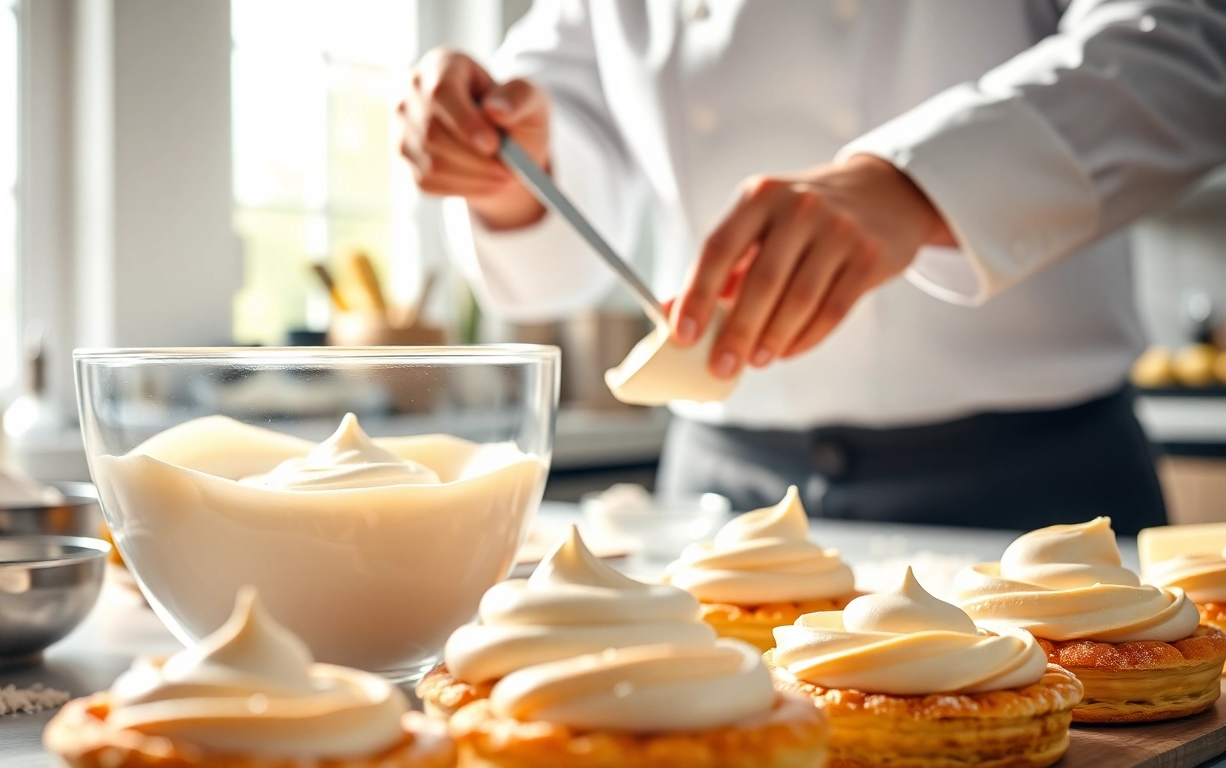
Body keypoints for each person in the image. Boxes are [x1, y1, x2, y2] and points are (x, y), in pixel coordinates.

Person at [395, 0, 1226, 533]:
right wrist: (507, 168)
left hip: (1038, 492)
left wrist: (917, 185)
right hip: (717, 492)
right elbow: (553, 134)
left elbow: (1188, 42)